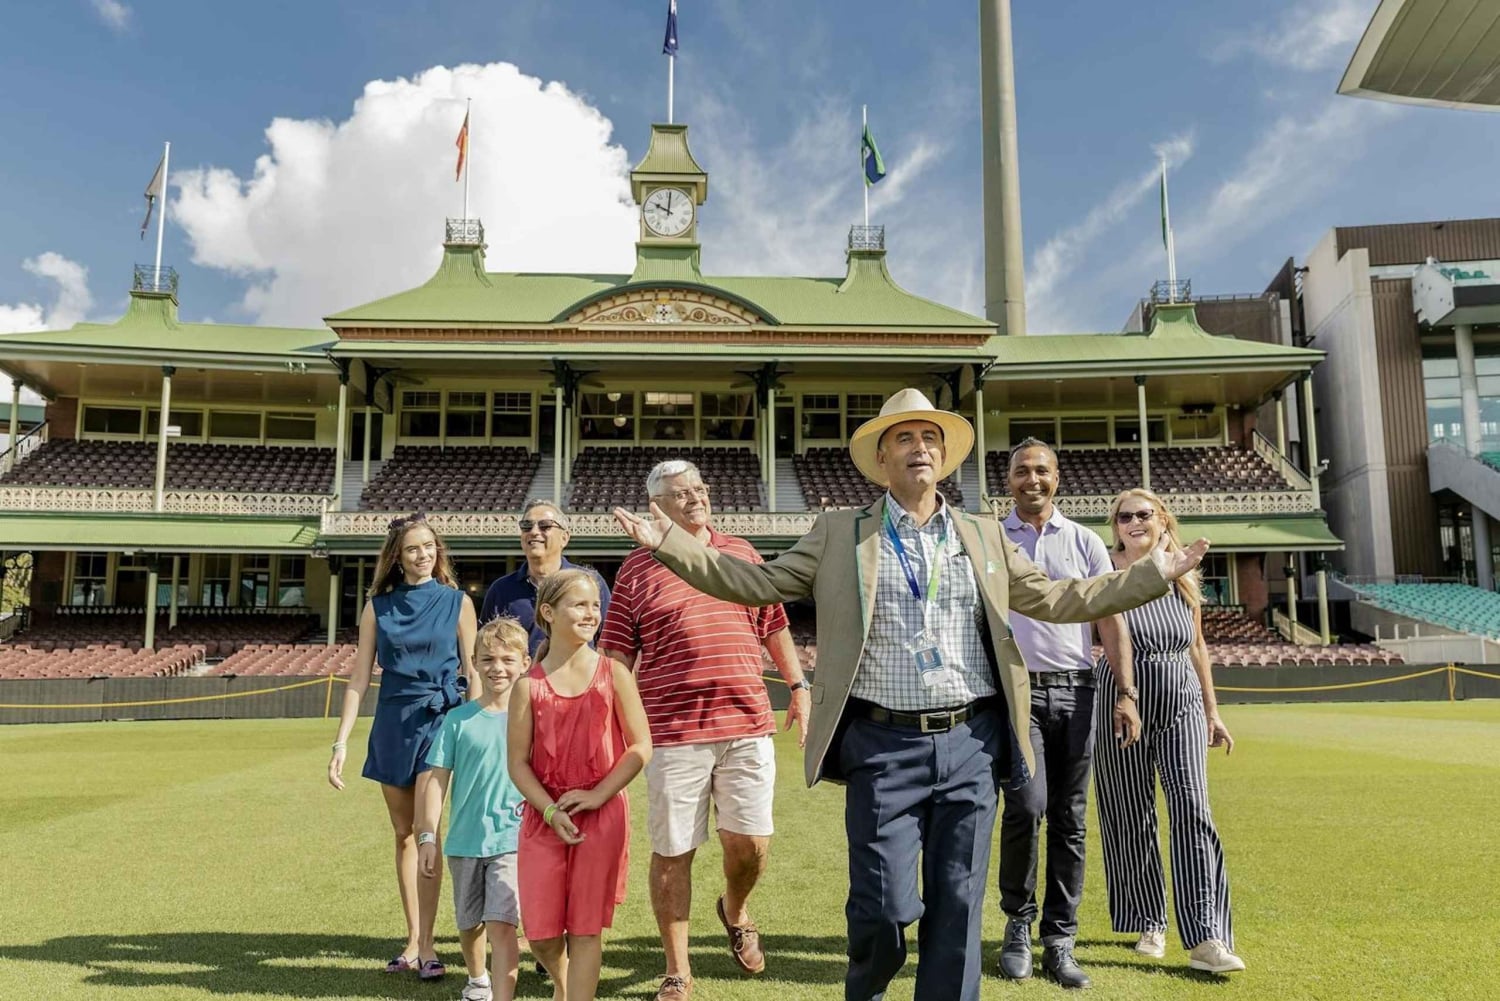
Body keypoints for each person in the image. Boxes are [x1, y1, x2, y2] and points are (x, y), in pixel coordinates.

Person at [613, 388, 1209, 1001]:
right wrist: (673, 546)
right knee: (882, 911)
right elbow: (758, 582)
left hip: (971, 743)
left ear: (944, 458)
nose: (920, 447)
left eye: (930, 438)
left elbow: (1063, 599)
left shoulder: (982, 535)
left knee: (957, 905)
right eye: (905, 437)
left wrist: (1152, 575)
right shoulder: (839, 532)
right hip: (881, 745)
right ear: (882, 456)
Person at [598, 459, 809, 1001]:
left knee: (750, 845)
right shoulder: (636, 570)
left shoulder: (740, 552)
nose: (694, 498)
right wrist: (620, 718)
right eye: (679, 493)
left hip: (746, 721)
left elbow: (775, 624)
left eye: (699, 489)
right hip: (671, 730)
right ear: (658, 506)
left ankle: (734, 910)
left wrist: (799, 687)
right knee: (673, 850)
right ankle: (677, 969)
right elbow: (617, 654)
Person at [995, 438, 1140, 989]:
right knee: (1026, 808)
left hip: (1078, 691)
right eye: (1021, 471)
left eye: (1042, 471)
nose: (1032, 479)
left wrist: (1125, 693)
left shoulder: (1083, 540)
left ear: (1058, 477)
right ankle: (1018, 926)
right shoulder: (992, 539)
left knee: (1071, 821)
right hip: (1017, 693)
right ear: (1007, 480)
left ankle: (1060, 939)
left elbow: (1110, 619)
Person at [1094, 488, 1243, 974]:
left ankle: (1207, 935)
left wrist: (1212, 711)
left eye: (1143, 514)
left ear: (1161, 519)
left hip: (1179, 691)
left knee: (1193, 807)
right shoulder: (1106, 570)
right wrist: (1126, 694)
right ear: (1114, 525)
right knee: (1129, 810)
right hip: (1121, 694)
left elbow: (1197, 645)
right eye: (1123, 517)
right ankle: (1148, 920)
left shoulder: (1184, 573)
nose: (1134, 522)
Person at [328, 512, 478, 980]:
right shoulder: (378, 606)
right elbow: (358, 678)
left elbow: (473, 672)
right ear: (398, 556)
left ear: (439, 551)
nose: (423, 555)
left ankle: (430, 945)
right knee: (404, 834)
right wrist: (340, 743)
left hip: (441, 721)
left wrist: (473, 731)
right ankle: (412, 941)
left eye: (430, 546)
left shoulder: (457, 603)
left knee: (428, 829)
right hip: (393, 722)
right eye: (413, 548)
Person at [508, 569, 653, 1001]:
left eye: (595, 605)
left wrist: (597, 795)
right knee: (541, 934)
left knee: (587, 929)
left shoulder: (615, 673)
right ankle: (566, 986)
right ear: (548, 612)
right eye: (579, 604)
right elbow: (517, 763)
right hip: (544, 816)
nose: (591, 613)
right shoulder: (527, 686)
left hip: (601, 815)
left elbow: (640, 746)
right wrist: (550, 812)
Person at [417, 616, 530, 1001]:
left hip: (513, 840)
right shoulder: (457, 720)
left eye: (507, 659)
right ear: (475, 662)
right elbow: (436, 781)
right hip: (464, 841)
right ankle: (478, 978)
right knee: (469, 924)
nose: (497, 668)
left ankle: (503, 994)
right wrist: (428, 836)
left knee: (502, 923)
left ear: (525, 663)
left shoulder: (534, 718)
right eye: (488, 659)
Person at [480, 499, 611, 657]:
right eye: (527, 526)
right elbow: (486, 646)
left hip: (579, 679)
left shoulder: (590, 583)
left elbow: (609, 641)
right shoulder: (501, 590)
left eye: (545, 525)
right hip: (522, 680)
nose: (534, 531)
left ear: (565, 537)